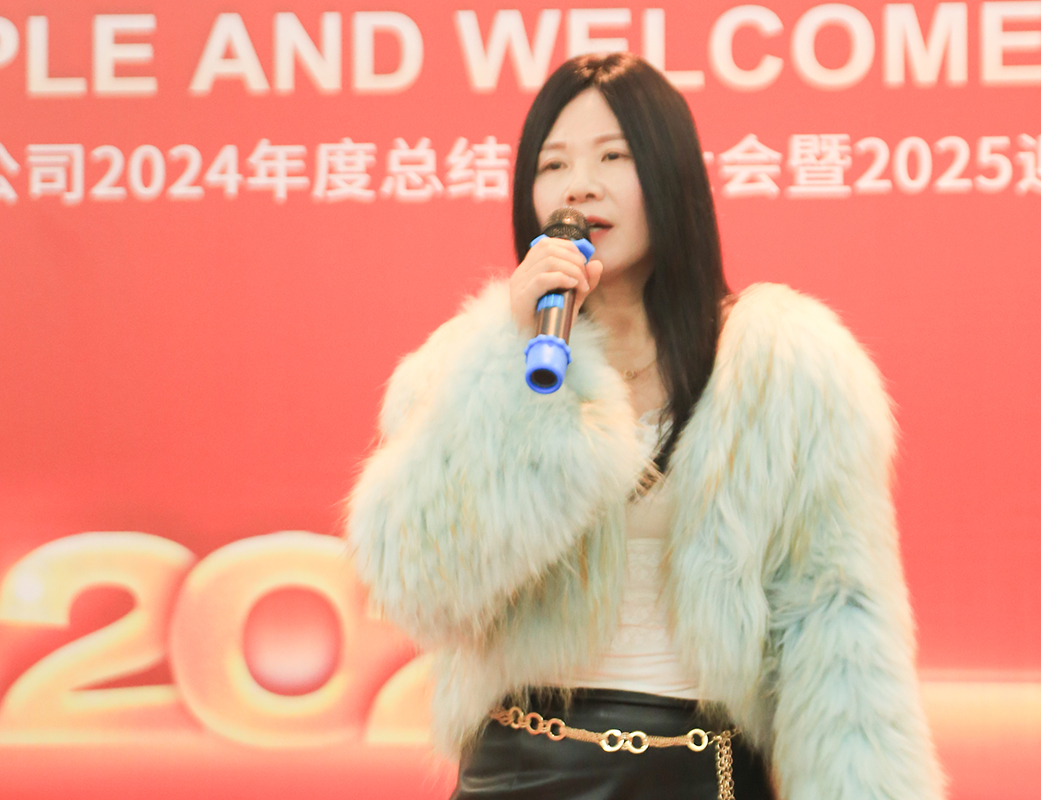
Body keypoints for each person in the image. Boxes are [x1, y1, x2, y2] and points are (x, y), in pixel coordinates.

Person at [346, 53, 944, 800]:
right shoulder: (471, 364)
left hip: (700, 772)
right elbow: (420, 587)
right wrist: (514, 376)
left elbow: (838, 623)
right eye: (552, 165)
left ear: (669, 173)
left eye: (613, 156)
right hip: (516, 771)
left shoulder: (785, 369)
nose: (579, 186)